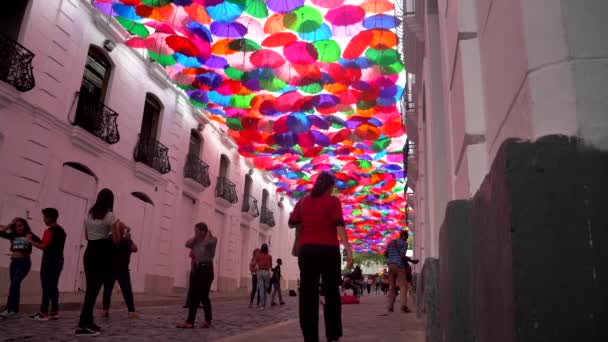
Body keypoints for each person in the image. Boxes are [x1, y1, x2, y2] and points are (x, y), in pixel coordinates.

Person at [289, 172, 353, 342]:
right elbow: (339, 226)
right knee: (331, 293)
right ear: (330, 186)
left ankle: (310, 338)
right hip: (329, 251)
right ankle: (332, 334)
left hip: (307, 251)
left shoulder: (303, 202)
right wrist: (348, 250)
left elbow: (292, 221)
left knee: (308, 295)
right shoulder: (333, 202)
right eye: (333, 187)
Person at [75, 188, 123, 337]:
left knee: (91, 290)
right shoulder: (110, 216)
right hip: (102, 255)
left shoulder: (89, 214)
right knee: (93, 291)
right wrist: (117, 229)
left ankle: (89, 322)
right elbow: (116, 240)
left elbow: (87, 237)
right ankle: (82, 325)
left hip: (89, 253)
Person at [177, 222, 217, 329]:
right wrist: (195, 238)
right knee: (196, 296)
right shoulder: (195, 241)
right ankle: (199, 321)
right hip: (197, 269)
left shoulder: (211, 240)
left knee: (202, 296)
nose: (195, 233)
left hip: (207, 270)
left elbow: (211, 245)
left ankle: (194, 321)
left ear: (203, 231)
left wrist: (205, 237)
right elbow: (187, 244)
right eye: (195, 231)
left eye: (197, 231)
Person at [29, 208, 66, 321]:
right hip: (59, 261)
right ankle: (54, 311)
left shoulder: (49, 231)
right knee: (53, 287)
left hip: (48, 262)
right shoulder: (62, 231)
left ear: (49, 218)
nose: (44, 219)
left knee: (46, 287)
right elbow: (49, 243)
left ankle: (43, 313)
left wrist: (31, 242)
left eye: (44, 217)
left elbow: (44, 246)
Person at [0, 218, 39, 318]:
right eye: (17, 226)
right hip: (14, 262)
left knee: (15, 283)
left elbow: (42, 243)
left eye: (21, 225)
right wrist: (10, 224)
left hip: (24, 262)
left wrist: (30, 241)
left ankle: (13, 310)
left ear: (25, 225)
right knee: (13, 285)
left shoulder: (29, 234)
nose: (19, 228)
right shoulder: (13, 234)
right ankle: (9, 309)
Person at [102, 225, 138, 319]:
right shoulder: (126, 241)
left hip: (110, 268)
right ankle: (131, 311)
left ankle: (105, 310)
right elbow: (135, 249)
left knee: (107, 290)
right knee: (127, 290)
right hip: (123, 269)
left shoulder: (109, 239)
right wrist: (130, 239)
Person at [385, 230, 419, 313]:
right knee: (403, 286)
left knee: (392, 287)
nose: (406, 240)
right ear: (404, 236)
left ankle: (390, 306)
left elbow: (385, 254)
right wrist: (412, 261)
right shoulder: (404, 243)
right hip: (399, 266)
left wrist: (392, 258)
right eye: (406, 238)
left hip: (390, 265)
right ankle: (403, 306)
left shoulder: (391, 242)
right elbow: (402, 256)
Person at [255, 243, 272, 310]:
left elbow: (255, 263)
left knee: (261, 289)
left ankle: (262, 305)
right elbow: (270, 266)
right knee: (265, 289)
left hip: (260, 272)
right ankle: (264, 303)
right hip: (267, 272)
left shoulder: (258, 255)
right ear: (267, 248)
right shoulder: (269, 256)